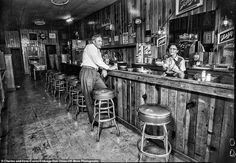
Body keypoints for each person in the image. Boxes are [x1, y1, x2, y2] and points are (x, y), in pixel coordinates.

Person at [79, 34, 117, 124]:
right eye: (99, 41)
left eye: (101, 41)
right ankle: (93, 120)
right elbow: (97, 60)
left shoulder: (98, 50)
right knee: (88, 97)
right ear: (94, 42)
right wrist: (108, 68)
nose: (101, 42)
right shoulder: (90, 47)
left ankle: (102, 113)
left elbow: (100, 61)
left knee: (104, 90)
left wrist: (104, 68)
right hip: (87, 72)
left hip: (95, 73)